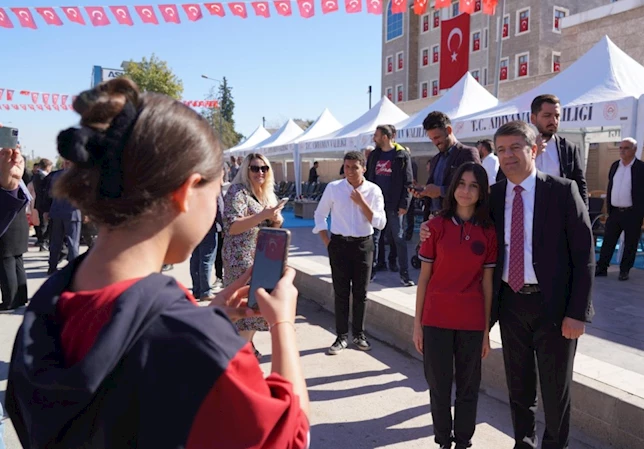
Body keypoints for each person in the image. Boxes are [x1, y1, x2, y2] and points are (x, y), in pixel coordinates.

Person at [5, 77, 309, 448]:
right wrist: (282, 323)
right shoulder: (193, 342)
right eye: (215, 191)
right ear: (186, 192)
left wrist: (205, 318)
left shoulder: (49, 300)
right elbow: (292, 437)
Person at [421, 120, 594, 449]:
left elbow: (584, 255)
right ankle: (523, 444)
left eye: (516, 147)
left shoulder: (562, 191)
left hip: (554, 308)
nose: (508, 155)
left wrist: (577, 312)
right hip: (511, 304)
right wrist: (430, 227)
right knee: (519, 388)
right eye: (501, 149)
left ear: (534, 149)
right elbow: (461, 217)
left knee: (556, 391)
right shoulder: (494, 195)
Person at [414, 162, 495, 449]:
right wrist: (417, 325)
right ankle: (443, 441)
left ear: (482, 192)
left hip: (471, 321)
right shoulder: (434, 227)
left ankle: (463, 441)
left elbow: (487, 284)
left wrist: (485, 331)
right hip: (436, 319)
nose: (466, 191)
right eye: (461, 183)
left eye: (473, 186)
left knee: (468, 389)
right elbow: (424, 278)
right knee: (438, 387)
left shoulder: (489, 232)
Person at [314, 151, 386, 355]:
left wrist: (362, 202)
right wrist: (327, 242)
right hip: (339, 244)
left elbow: (380, 222)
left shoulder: (373, 190)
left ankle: (359, 334)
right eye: (347, 167)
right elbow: (320, 215)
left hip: (363, 245)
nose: (350, 171)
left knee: (361, 293)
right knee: (341, 292)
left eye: (355, 167)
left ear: (364, 168)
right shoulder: (334, 188)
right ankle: (341, 336)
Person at [223, 153, 285, 357]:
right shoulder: (238, 191)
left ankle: (246, 347)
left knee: (255, 310)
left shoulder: (265, 194)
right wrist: (262, 215)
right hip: (240, 259)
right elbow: (232, 226)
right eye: (255, 168)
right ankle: (239, 354)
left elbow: (269, 228)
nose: (260, 172)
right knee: (244, 310)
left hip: (261, 259)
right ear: (246, 170)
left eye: (264, 168)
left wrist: (275, 220)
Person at [595, 138, 644, 281]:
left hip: (632, 213)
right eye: (621, 148)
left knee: (630, 243)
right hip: (615, 211)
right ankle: (602, 267)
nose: (622, 151)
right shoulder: (615, 166)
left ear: (634, 150)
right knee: (608, 240)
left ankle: (624, 270)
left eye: (626, 148)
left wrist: (640, 206)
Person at [366, 124, 415, 287]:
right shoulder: (374, 155)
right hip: (375, 205)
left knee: (399, 239)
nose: (374, 138)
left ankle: (404, 274)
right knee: (374, 239)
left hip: (394, 205)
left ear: (385, 137)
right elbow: (368, 178)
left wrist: (404, 204)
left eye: (376, 135)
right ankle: (371, 272)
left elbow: (408, 181)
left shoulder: (401, 155)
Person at [415, 111, 480, 215]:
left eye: (437, 137)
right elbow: (433, 190)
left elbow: (476, 188)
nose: (435, 142)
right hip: (434, 217)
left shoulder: (467, 153)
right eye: (431, 139)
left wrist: (440, 191)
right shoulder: (435, 159)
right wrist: (423, 191)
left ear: (449, 130)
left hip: (456, 217)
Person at [529, 94, 588, 205]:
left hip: (558, 209)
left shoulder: (568, 148)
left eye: (557, 116)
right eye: (547, 115)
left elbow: (580, 184)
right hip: (527, 208)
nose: (553, 120)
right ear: (533, 118)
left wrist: (583, 212)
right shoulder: (520, 146)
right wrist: (531, 155)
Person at [0, 141, 31, 311]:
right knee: (17, 261)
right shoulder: (20, 181)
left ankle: (10, 300)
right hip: (19, 225)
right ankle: (20, 297)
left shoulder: (7, 175)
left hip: (8, 227)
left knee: (6, 262)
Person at [42, 160, 83, 275]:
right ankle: (73, 269)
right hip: (73, 212)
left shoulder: (55, 176)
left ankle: (52, 266)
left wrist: (47, 210)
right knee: (73, 242)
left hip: (56, 211)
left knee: (55, 242)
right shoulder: (78, 176)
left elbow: (49, 194)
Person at [191, 186, 224, 301]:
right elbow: (219, 209)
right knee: (206, 260)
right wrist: (224, 226)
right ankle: (205, 292)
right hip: (208, 226)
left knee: (195, 259)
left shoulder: (193, 187)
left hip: (193, 226)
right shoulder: (212, 187)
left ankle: (196, 290)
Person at [32, 158, 53, 250]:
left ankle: (42, 241)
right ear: (47, 166)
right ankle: (43, 242)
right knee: (45, 224)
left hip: (40, 202)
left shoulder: (37, 175)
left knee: (43, 224)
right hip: (44, 203)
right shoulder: (42, 177)